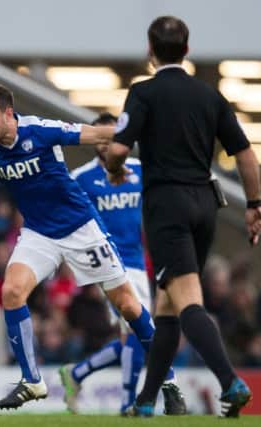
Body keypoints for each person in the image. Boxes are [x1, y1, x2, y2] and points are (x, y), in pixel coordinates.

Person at [0, 84, 158, 410]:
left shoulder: (40, 130)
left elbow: (95, 134)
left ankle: (166, 378)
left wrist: (137, 127)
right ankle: (31, 380)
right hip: (39, 234)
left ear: (8, 113)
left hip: (80, 230)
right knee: (11, 292)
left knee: (129, 308)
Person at [106, 16, 261, 418]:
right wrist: (255, 205)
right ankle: (144, 403)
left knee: (188, 300)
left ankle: (230, 382)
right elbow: (245, 154)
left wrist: (114, 169)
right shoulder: (210, 96)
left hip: (167, 206)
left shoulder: (143, 93)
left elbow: (119, 150)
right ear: (187, 50)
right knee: (167, 306)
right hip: (206, 205)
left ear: (149, 51)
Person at [59, 113, 185, 415]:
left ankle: (77, 374)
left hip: (139, 263)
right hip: (107, 262)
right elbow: (68, 220)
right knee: (137, 331)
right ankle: (130, 403)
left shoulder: (139, 171)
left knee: (136, 334)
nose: (108, 145)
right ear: (95, 142)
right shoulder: (82, 178)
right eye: (103, 139)